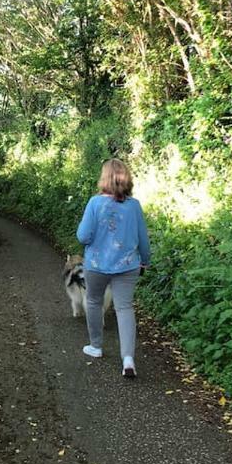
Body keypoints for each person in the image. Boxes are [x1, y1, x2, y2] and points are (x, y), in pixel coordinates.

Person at [76, 158, 151, 377]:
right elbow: (143, 239)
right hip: (128, 266)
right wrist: (145, 260)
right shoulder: (134, 205)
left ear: (104, 178)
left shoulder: (94, 203)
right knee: (124, 308)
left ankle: (96, 346)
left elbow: (83, 236)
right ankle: (128, 359)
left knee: (93, 300)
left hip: (97, 264)